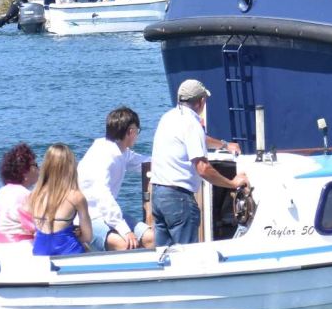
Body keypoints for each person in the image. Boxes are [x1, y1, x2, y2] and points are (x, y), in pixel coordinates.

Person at [150, 79, 249, 248]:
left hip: (158, 195)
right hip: (178, 200)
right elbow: (203, 168)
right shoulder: (192, 124)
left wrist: (224, 145)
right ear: (201, 101)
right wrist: (232, 183)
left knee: (164, 257)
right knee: (187, 256)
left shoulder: (168, 118)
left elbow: (198, 139)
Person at [79, 106, 152, 251]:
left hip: (107, 215)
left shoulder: (120, 151)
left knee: (152, 238)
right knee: (124, 244)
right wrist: (125, 230)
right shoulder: (105, 155)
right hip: (89, 217)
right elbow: (102, 195)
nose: (137, 135)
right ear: (131, 132)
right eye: (138, 131)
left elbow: (142, 162)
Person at [26, 143, 93, 257]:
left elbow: (35, 229)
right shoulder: (75, 196)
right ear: (70, 167)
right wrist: (76, 233)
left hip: (40, 251)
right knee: (88, 248)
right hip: (68, 251)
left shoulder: (34, 195)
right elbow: (88, 237)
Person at [0, 142, 39, 245]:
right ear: (24, 172)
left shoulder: (2, 192)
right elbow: (37, 227)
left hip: (0, 246)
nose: (38, 169)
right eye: (35, 165)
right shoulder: (24, 195)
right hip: (21, 248)